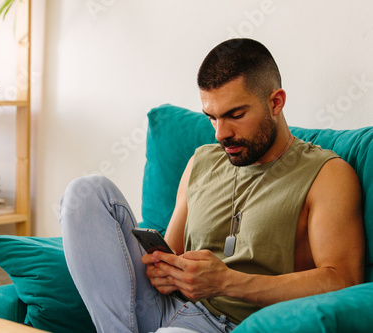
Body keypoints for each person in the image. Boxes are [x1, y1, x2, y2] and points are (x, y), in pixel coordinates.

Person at [59, 38, 364, 333]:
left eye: (235, 115)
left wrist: (226, 281)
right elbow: (172, 253)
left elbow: (343, 281)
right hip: (164, 309)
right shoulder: (200, 162)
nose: (221, 133)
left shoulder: (326, 174)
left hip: (235, 323)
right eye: (212, 118)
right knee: (86, 192)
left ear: (276, 102)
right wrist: (165, 271)